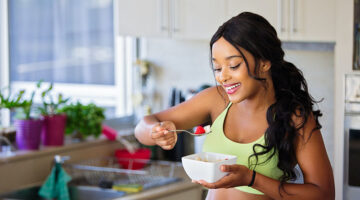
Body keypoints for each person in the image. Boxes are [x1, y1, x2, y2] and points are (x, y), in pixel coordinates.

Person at [134, 12, 335, 200]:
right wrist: (155, 131)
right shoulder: (216, 100)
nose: (223, 77)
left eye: (233, 66)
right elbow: (142, 127)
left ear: (264, 63)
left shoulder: (294, 117)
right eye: (218, 68)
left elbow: (324, 193)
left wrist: (252, 179)